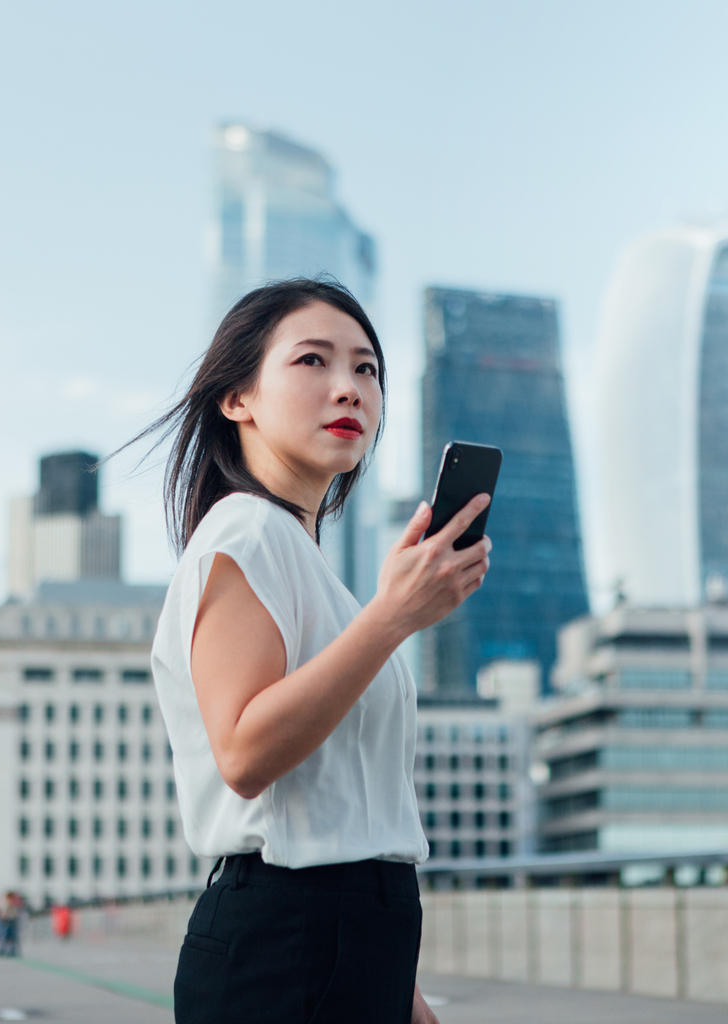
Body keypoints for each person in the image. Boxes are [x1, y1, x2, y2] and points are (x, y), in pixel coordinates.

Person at [134, 279, 491, 1024]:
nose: (349, 389)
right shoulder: (245, 531)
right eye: (312, 362)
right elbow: (244, 753)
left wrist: (407, 998)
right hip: (283, 947)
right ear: (238, 398)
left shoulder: (309, 565)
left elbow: (351, 815)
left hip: (356, 947)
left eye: (367, 370)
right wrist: (391, 620)